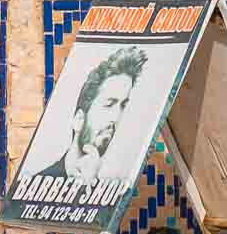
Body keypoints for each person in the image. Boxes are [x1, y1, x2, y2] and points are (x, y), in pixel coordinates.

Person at [26, 44, 148, 186]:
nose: (115, 118)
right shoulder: (36, 186)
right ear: (78, 120)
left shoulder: (111, 193)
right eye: (109, 104)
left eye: (122, 106)